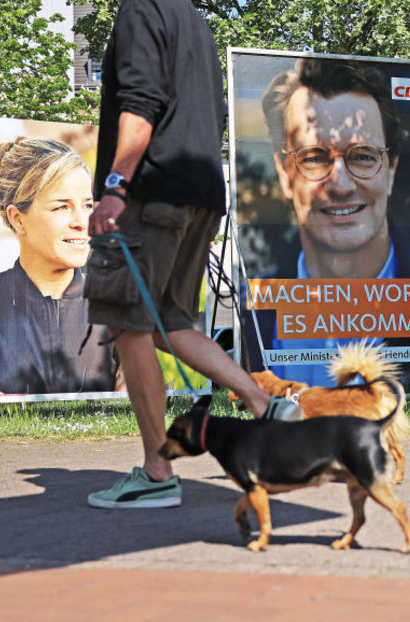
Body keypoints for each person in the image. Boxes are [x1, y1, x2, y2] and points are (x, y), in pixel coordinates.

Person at [84, 0, 293, 510]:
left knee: (128, 324)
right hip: (200, 194)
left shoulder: (140, 10)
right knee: (169, 323)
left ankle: (157, 471)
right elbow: (212, 114)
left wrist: (115, 186)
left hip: (151, 193)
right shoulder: (193, 20)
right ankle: (263, 403)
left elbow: (140, 104)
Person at [242, 58, 410, 389]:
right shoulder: (250, 318)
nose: (341, 185)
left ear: (391, 170)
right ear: (284, 173)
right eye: (313, 157)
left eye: (363, 156)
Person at [0, 138, 117, 396]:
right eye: (62, 207)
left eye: (87, 205)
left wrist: (1, 402)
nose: (82, 222)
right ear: (18, 219)